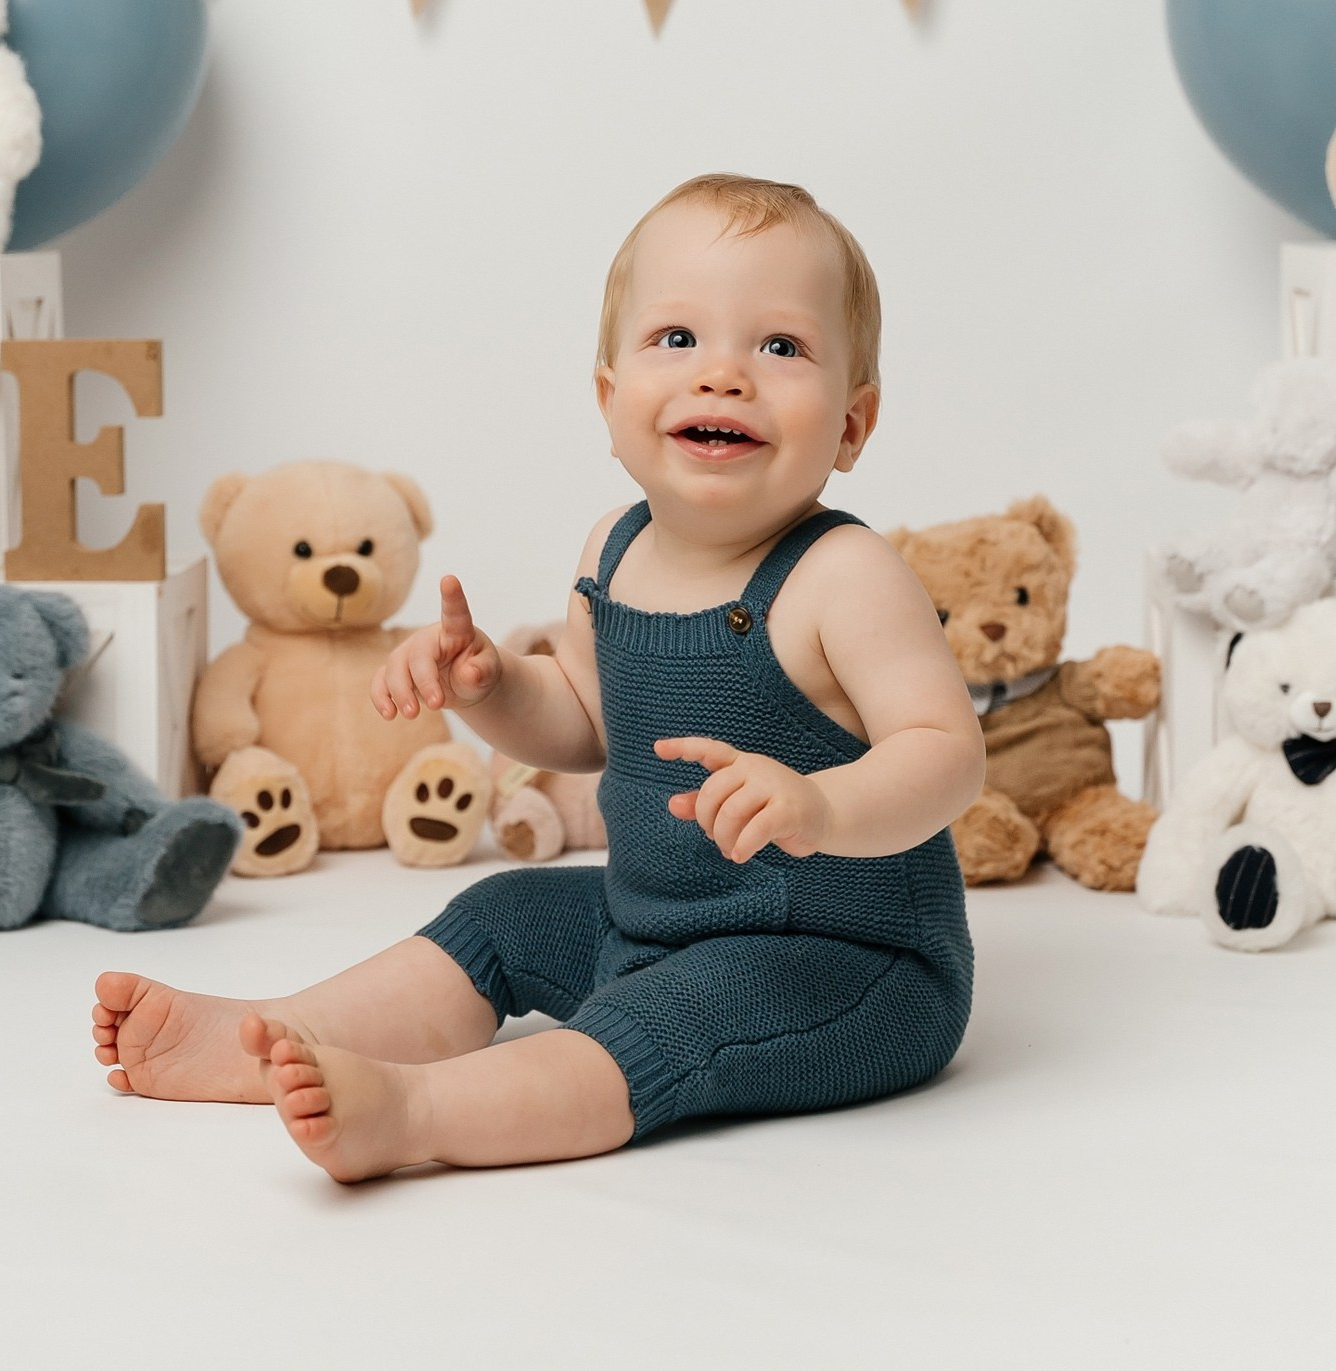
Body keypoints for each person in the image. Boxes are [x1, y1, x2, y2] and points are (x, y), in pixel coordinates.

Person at [89, 174, 984, 1181]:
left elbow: (945, 755)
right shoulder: (613, 548)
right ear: (610, 401)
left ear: (853, 426)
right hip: (645, 918)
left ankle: (419, 1112)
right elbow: (584, 727)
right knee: (503, 912)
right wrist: (490, 687)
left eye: (779, 347)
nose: (723, 375)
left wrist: (820, 803)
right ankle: (267, 1035)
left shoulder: (842, 576)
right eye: (678, 339)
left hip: (840, 963)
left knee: (668, 1023)